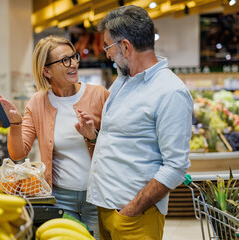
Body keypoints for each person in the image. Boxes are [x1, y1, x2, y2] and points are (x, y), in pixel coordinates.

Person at [78, 5, 193, 240]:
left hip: (135, 217)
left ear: (126, 46)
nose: (107, 54)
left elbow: (176, 167)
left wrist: (131, 210)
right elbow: (123, 141)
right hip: (106, 207)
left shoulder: (171, 92)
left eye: (108, 47)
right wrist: (93, 136)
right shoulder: (123, 81)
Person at [0, 35, 109, 239]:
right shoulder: (38, 102)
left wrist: (93, 136)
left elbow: (118, 144)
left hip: (98, 195)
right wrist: (15, 123)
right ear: (46, 70)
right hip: (60, 198)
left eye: (73, 57)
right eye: (65, 60)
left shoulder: (99, 95)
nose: (73, 63)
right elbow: (18, 152)